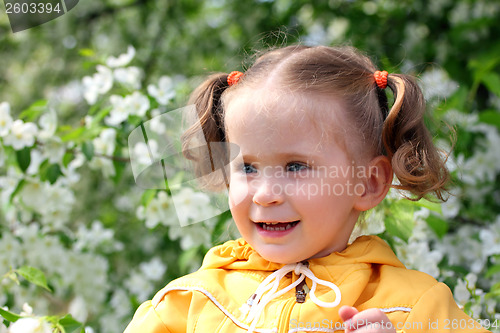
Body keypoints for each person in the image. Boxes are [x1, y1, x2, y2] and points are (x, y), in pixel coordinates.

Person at [124, 45, 491, 333]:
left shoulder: (415, 307)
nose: (265, 194)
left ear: (368, 182)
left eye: (295, 166)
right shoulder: (189, 304)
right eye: (248, 167)